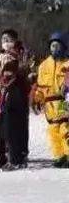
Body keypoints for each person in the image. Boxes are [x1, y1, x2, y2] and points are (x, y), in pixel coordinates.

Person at [33, 32, 69, 168]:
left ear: (64, 47)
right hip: (50, 104)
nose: (55, 49)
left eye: (57, 46)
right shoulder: (43, 66)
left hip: (64, 102)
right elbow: (40, 86)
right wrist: (37, 98)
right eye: (52, 46)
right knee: (53, 130)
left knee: (65, 129)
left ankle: (68, 154)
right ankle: (59, 156)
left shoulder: (67, 64)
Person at [0, 60, 30, 171]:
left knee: (15, 138)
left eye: (9, 73)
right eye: (5, 72)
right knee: (9, 138)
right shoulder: (7, 85)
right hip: (8, 115)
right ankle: (13, 159)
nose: (6, 75)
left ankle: (15, 160)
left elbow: (18, 102)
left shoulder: (18, 85)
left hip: (15, 116)